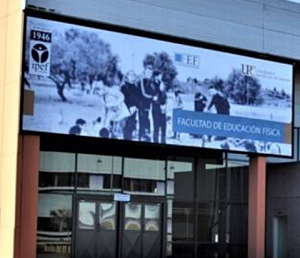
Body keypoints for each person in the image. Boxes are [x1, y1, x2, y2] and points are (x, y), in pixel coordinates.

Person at [137, 65, 156, 142]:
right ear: (145, 72)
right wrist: (152, 97)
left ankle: (146, 139)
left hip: (148, 106)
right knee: (142, 123)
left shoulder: (152, 83)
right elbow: (143, 93)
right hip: (141, 105)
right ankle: (140, 138)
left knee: (147, 122)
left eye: (150, 73)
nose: (149, 74)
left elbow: (154, 92)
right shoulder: (141, 81)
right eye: (148, 72)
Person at [121, 71, 140, 140]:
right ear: (127, 77)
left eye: (133, 75)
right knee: (125, 130)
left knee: (130, 129)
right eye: (130, 75)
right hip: (125, 111)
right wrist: (128, 108)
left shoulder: (136, 88)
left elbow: (138, 99)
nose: (132, 76)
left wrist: (135, 107)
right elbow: (122, 99)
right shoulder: (123, 87)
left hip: (133, 111)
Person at [152, 71, 167, 144]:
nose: (161, 77)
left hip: (163, 109)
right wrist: (159, 90)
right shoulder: (152, 85)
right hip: (156, 108)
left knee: (164, 126)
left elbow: (165, 97)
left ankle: (163, 142)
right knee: (156, 127)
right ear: (156, 76)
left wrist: (164, 105)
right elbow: (154, 97)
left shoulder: (162, 84)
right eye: (160, 76)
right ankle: (156, 142)